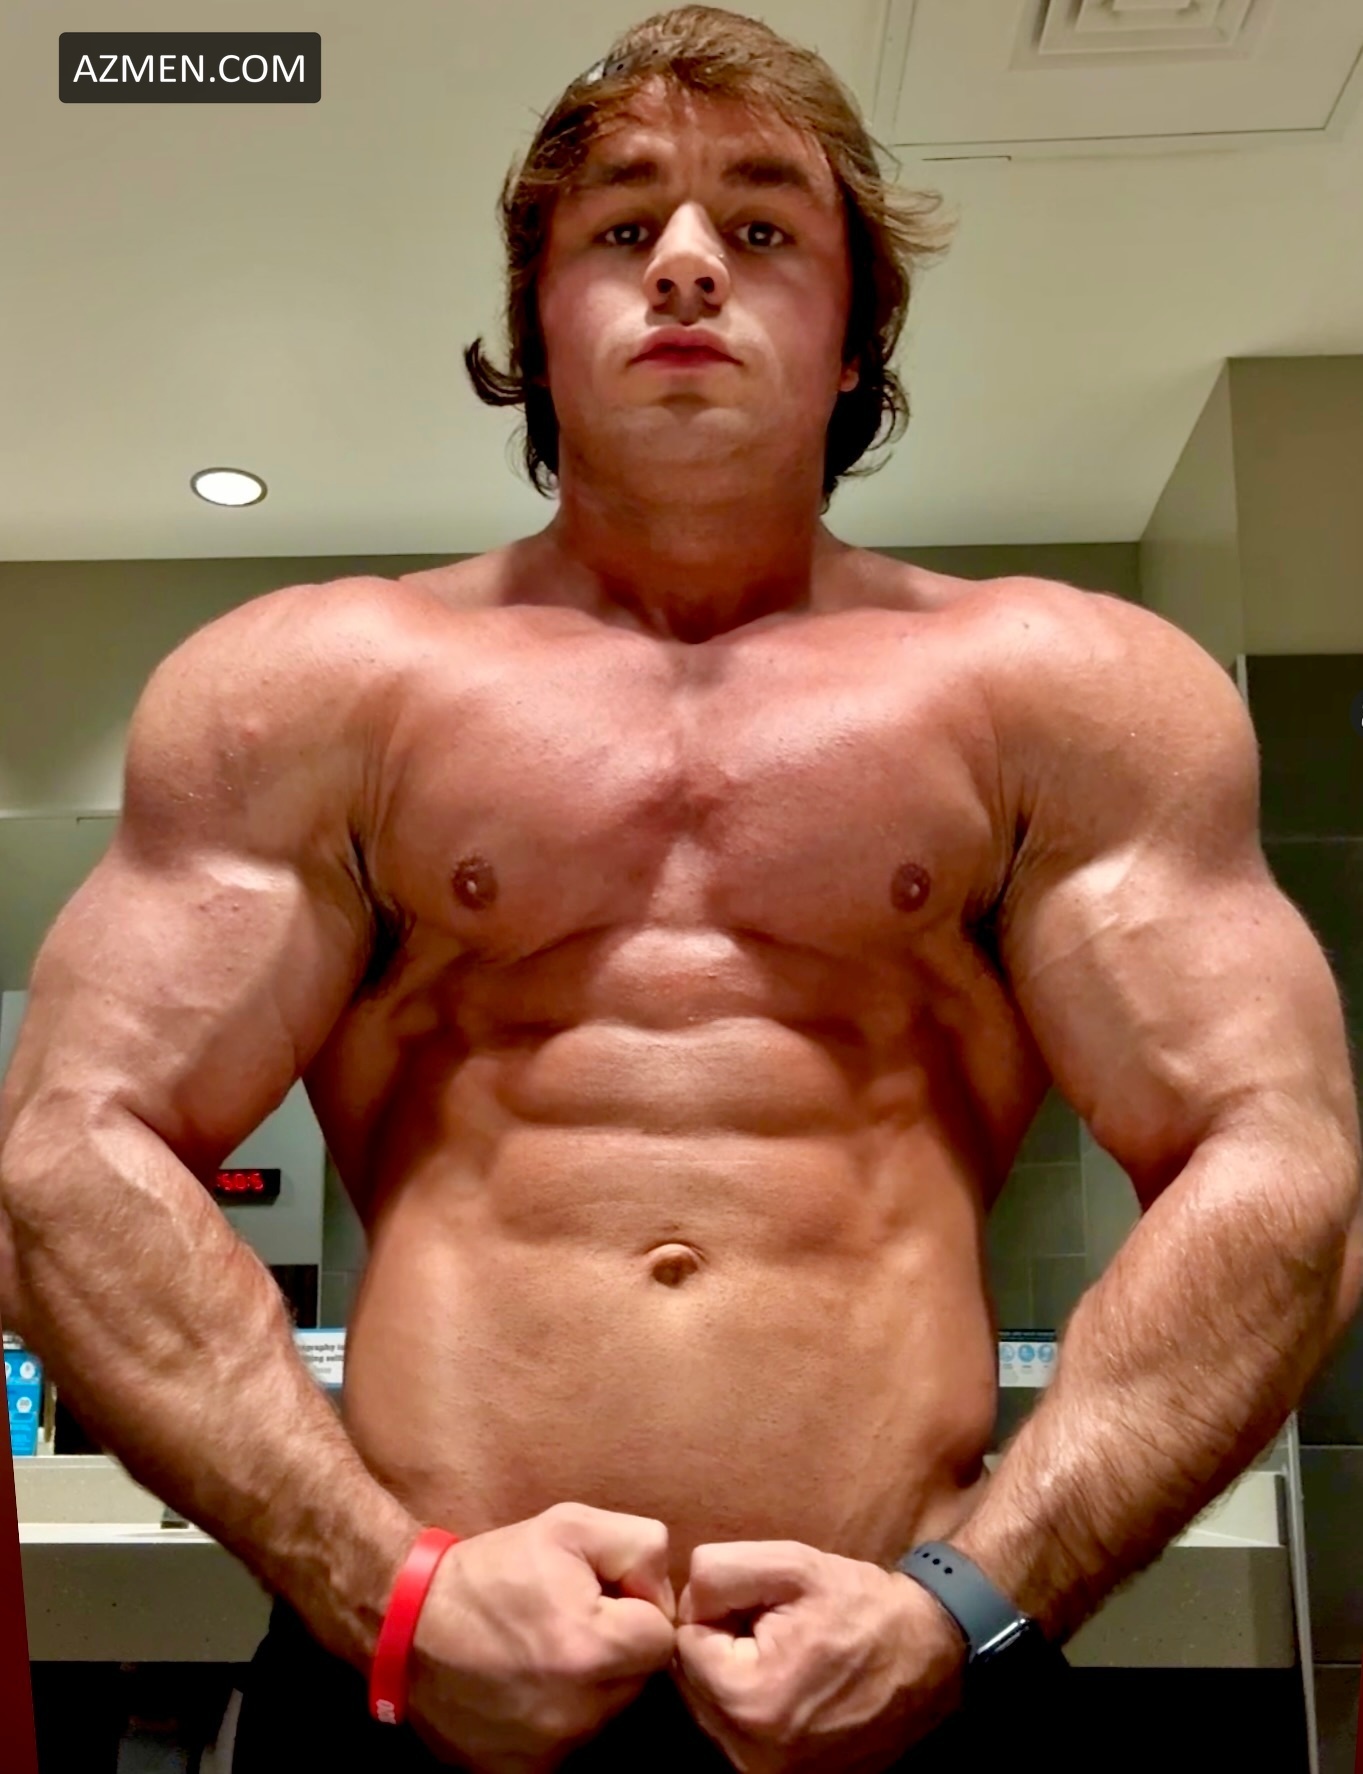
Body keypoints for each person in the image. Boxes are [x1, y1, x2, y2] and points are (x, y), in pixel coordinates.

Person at [0, 6, 1359, 1770]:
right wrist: (381, 1588)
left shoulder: (1064, 695)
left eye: (766, 223)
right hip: (421, 1680)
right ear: (538, 326)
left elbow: (1284, 1176)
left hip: (905, 1681)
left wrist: (969, 1605)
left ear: (856, 335)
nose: (692, 264)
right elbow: (65, 1159)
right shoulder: (316, 691)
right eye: (625, 223)